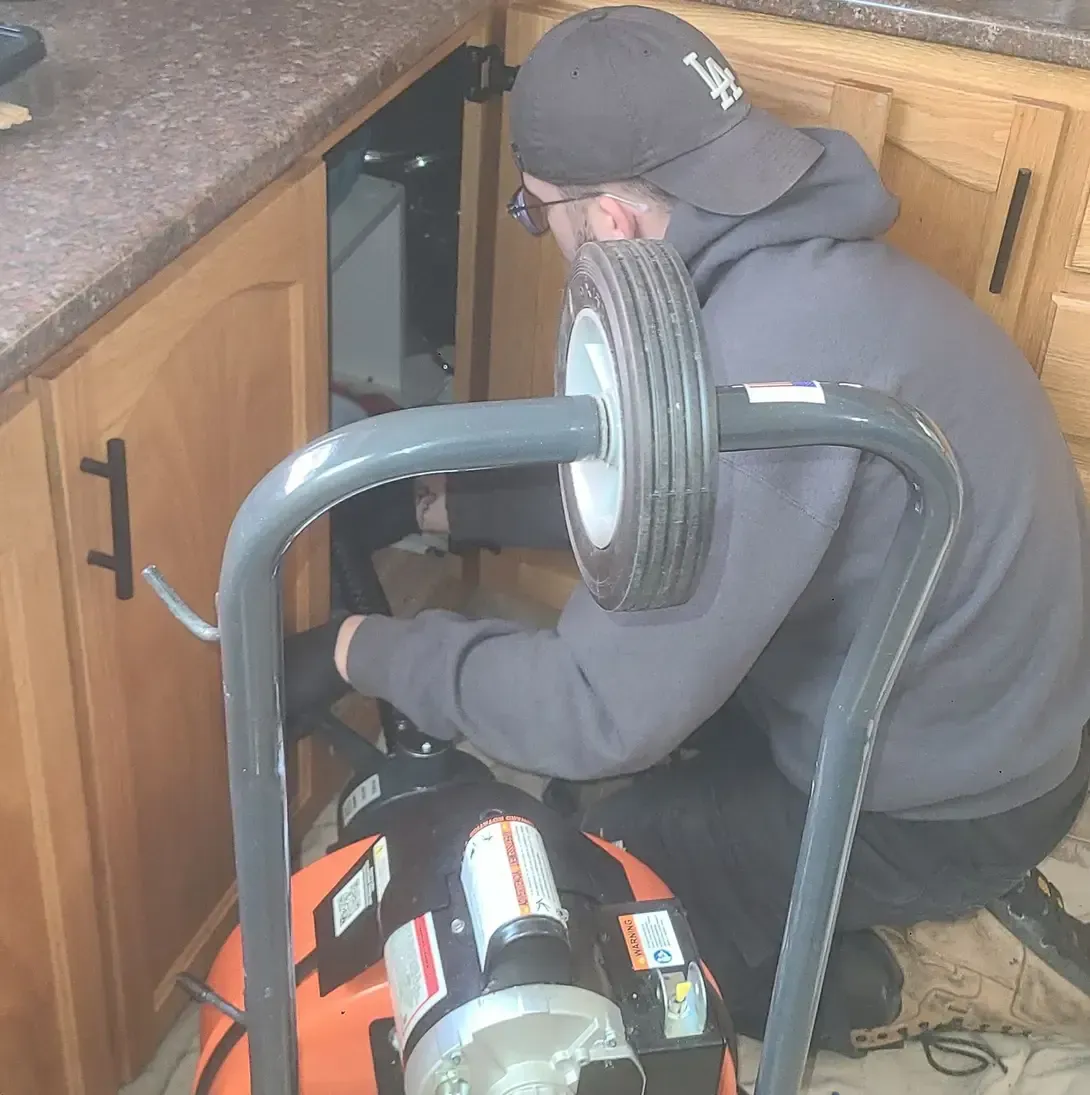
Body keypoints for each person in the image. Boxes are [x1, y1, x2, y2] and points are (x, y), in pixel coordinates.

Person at [285, 4, 1090, 1062]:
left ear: (611, 220)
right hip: (976, 724)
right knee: (625, 796)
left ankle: (965, 945)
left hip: (942, 800)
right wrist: (439, 508)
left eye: (538, 216)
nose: (552, 244)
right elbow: (652, 511)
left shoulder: (745, 383)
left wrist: (357, 652)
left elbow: (596, 711)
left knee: (622, 921)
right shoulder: (795, 274)